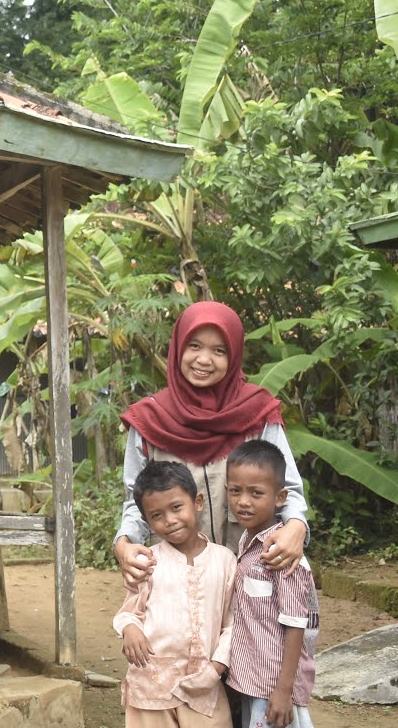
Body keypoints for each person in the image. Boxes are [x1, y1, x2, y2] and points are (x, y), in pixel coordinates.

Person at [115, 301, 308, 588]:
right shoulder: (149, 420)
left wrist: (296, 526)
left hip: (254, 579)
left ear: (234, 356)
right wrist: (125, 544)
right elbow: (137, 502)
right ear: (179, 348)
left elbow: (287, 489)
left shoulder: (257, 412)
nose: (204, 360)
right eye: (194, 346)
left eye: (219, 350)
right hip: (175, 583)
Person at [113, 460, 237, 728]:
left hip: (204, 684)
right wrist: (130, 629)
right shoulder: (147, 561)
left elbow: (233, 622)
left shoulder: (225, 561)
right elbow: (128, 613)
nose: (169, 520)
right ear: (146, 521)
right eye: (156, 515)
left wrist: (217, 667)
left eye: (177, 507)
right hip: (151, 685)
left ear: (198, 502)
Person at [225, 439, 319, 728]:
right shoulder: (248, 540)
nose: (243, 501)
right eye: (235, 491)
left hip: (273, 687)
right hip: (254, 680)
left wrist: (283, 690)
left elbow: (295, 624)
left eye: (256, 493)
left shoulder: (281, 553)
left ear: (280, 497)